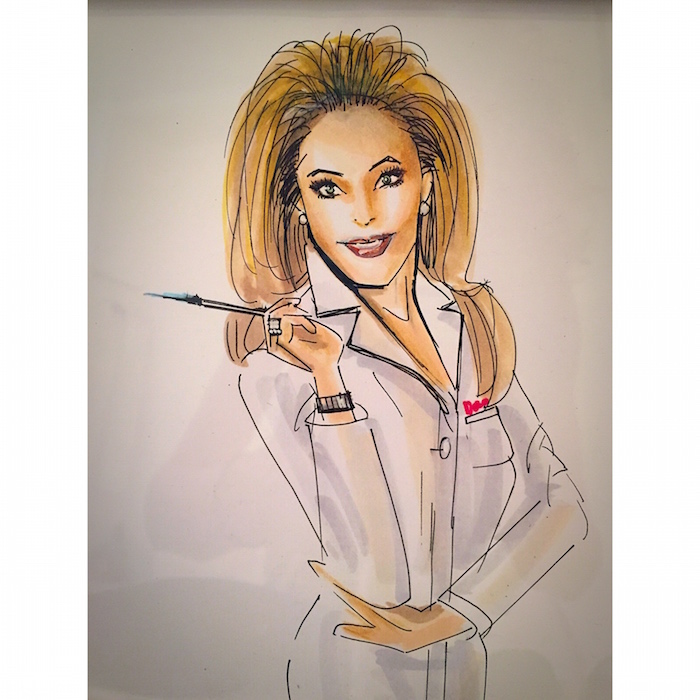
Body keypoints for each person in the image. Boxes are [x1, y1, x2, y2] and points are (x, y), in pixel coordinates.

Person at [222, 28, 587, 699]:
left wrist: (466, 612)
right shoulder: (280, 363)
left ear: (428, 183)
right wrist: (331, 385)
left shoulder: (470, 323)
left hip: (463, 665)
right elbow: (378, 578)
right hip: (349, 673)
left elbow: (560, 501)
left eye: (387, 178)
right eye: (328, 188)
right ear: (296, 206)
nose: (365, 215)